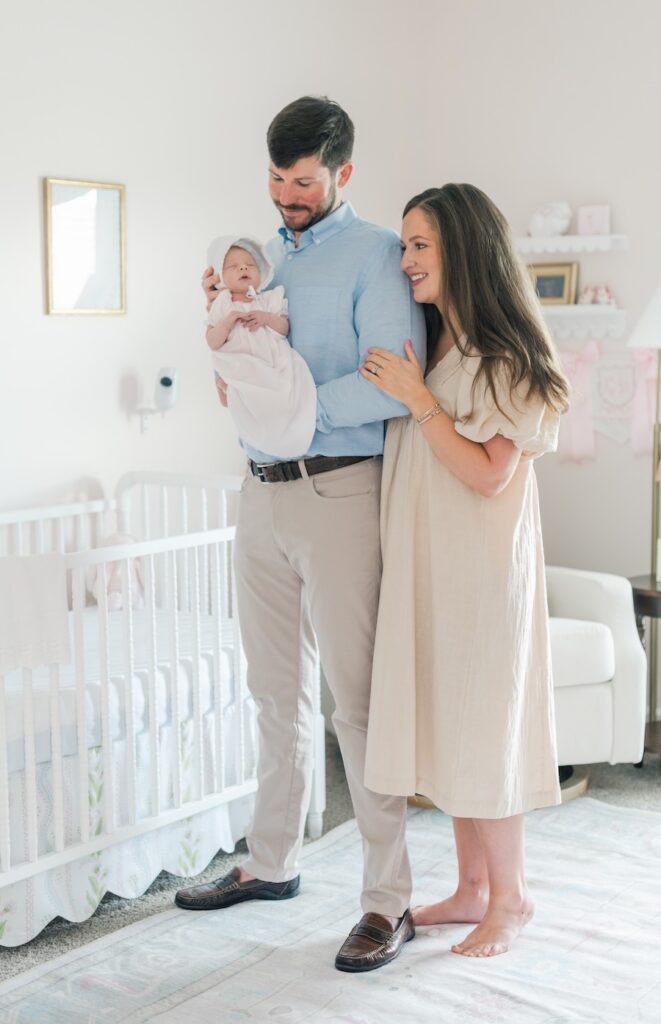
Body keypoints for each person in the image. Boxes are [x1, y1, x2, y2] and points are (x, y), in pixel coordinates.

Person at [175, 96, 426, 973]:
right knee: (273, 691)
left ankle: (387, 901)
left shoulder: (376, 257)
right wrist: (240, 387)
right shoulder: (260, 259)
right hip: (260, 490)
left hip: (337, 492)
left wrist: (295, 413)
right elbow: (246, 356)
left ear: (342, 174)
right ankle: (272, 861)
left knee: (354, 703)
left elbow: (393, 384)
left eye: (304, 181)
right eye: (277, 180)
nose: (287, 195)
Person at [361, 184, 569, 959]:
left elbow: (489, 474)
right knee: (450, 719)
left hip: (481, 571)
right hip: (432, 564)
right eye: (405, 245)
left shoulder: (506, 356)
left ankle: (512, 898)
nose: (405, 259)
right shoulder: (435, 342)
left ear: (463, 250)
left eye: (420, 245)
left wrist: (418, 400)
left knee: (481, 726)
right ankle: (473, 886)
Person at [205, 235, 316, 458]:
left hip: (272, 361)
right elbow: (213, 341)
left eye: (250, 264)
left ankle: (287, 431)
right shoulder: (222, 305)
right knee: (253, 400)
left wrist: (267, 318)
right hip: (243, 365)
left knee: (283, 391)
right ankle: (266, 434)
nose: (243, 268)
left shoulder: (268, 300)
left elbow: (284, 328)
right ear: (221, 275)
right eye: (233, 266)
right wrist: (227, 323)